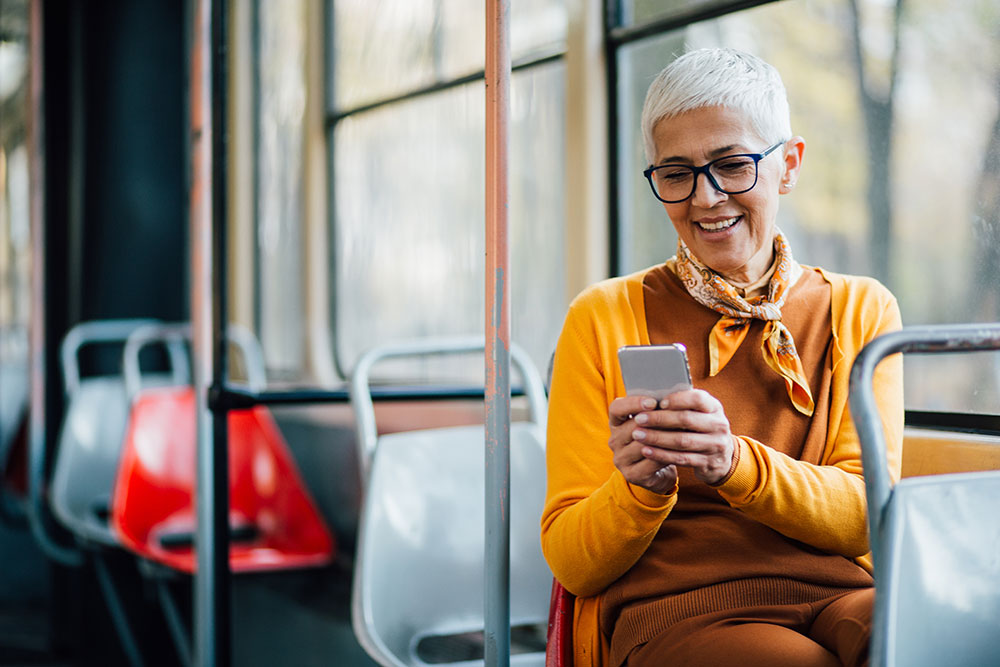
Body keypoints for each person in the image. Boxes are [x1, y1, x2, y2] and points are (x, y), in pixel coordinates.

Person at [540, 48, 903, 667]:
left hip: (844, 590)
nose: (705, 199)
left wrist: (733, 462)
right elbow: (573, 562)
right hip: (678, 610)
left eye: (732, 166)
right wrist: (638, 489)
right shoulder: (601, 317)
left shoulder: (862, 310)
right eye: (676, 173)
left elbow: (870, 520)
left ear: (788, 165)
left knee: (927, 638)